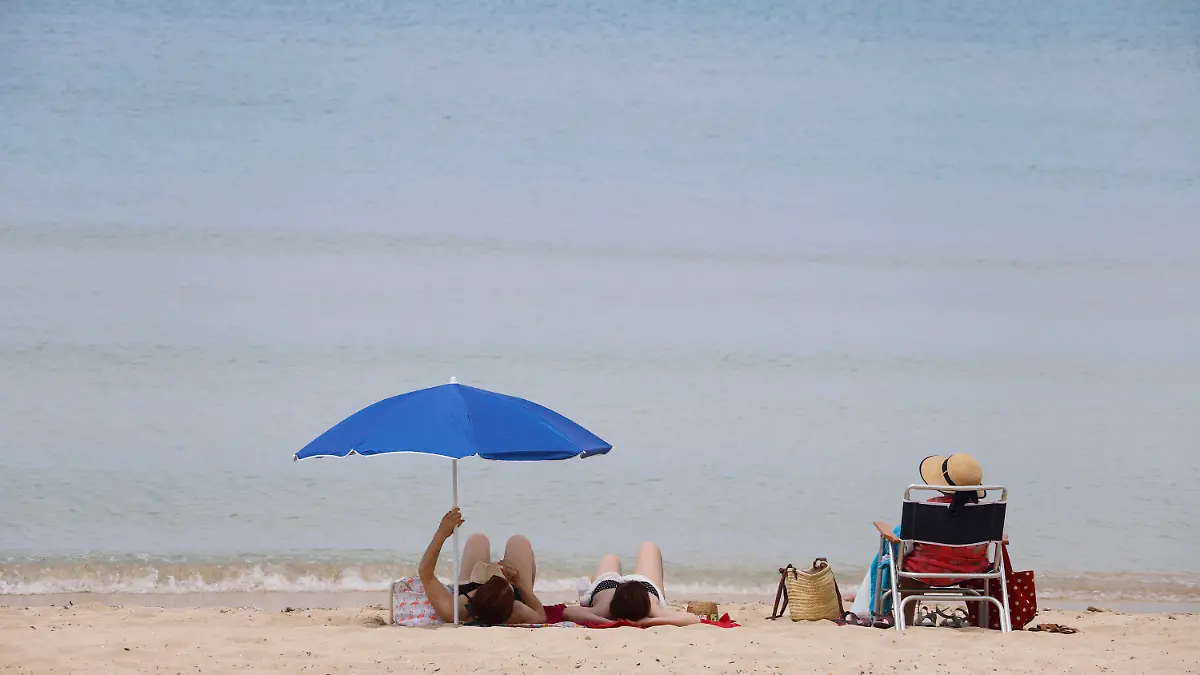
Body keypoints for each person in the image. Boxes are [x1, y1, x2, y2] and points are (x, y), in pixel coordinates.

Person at [417, 508, 551, 625]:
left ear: (474, 596)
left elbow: (425, 573)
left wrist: (442, 533)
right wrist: (519, 584)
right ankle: (519, 587)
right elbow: (541, 616)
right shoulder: (517, 610)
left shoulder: (455, 610)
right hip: (509, 597)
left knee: (478, 540)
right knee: (518, 542)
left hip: (472, 589)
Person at [565, 542, 701, 627]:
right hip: (644, 586)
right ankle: (587, 592)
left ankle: (587, 593)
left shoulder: (603, 610)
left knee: (611, 558)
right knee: (648, 546)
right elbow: (692, 619)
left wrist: (607, 622)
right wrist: (648, 621)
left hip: (607, 587)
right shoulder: (653, 610)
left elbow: (568, 612)